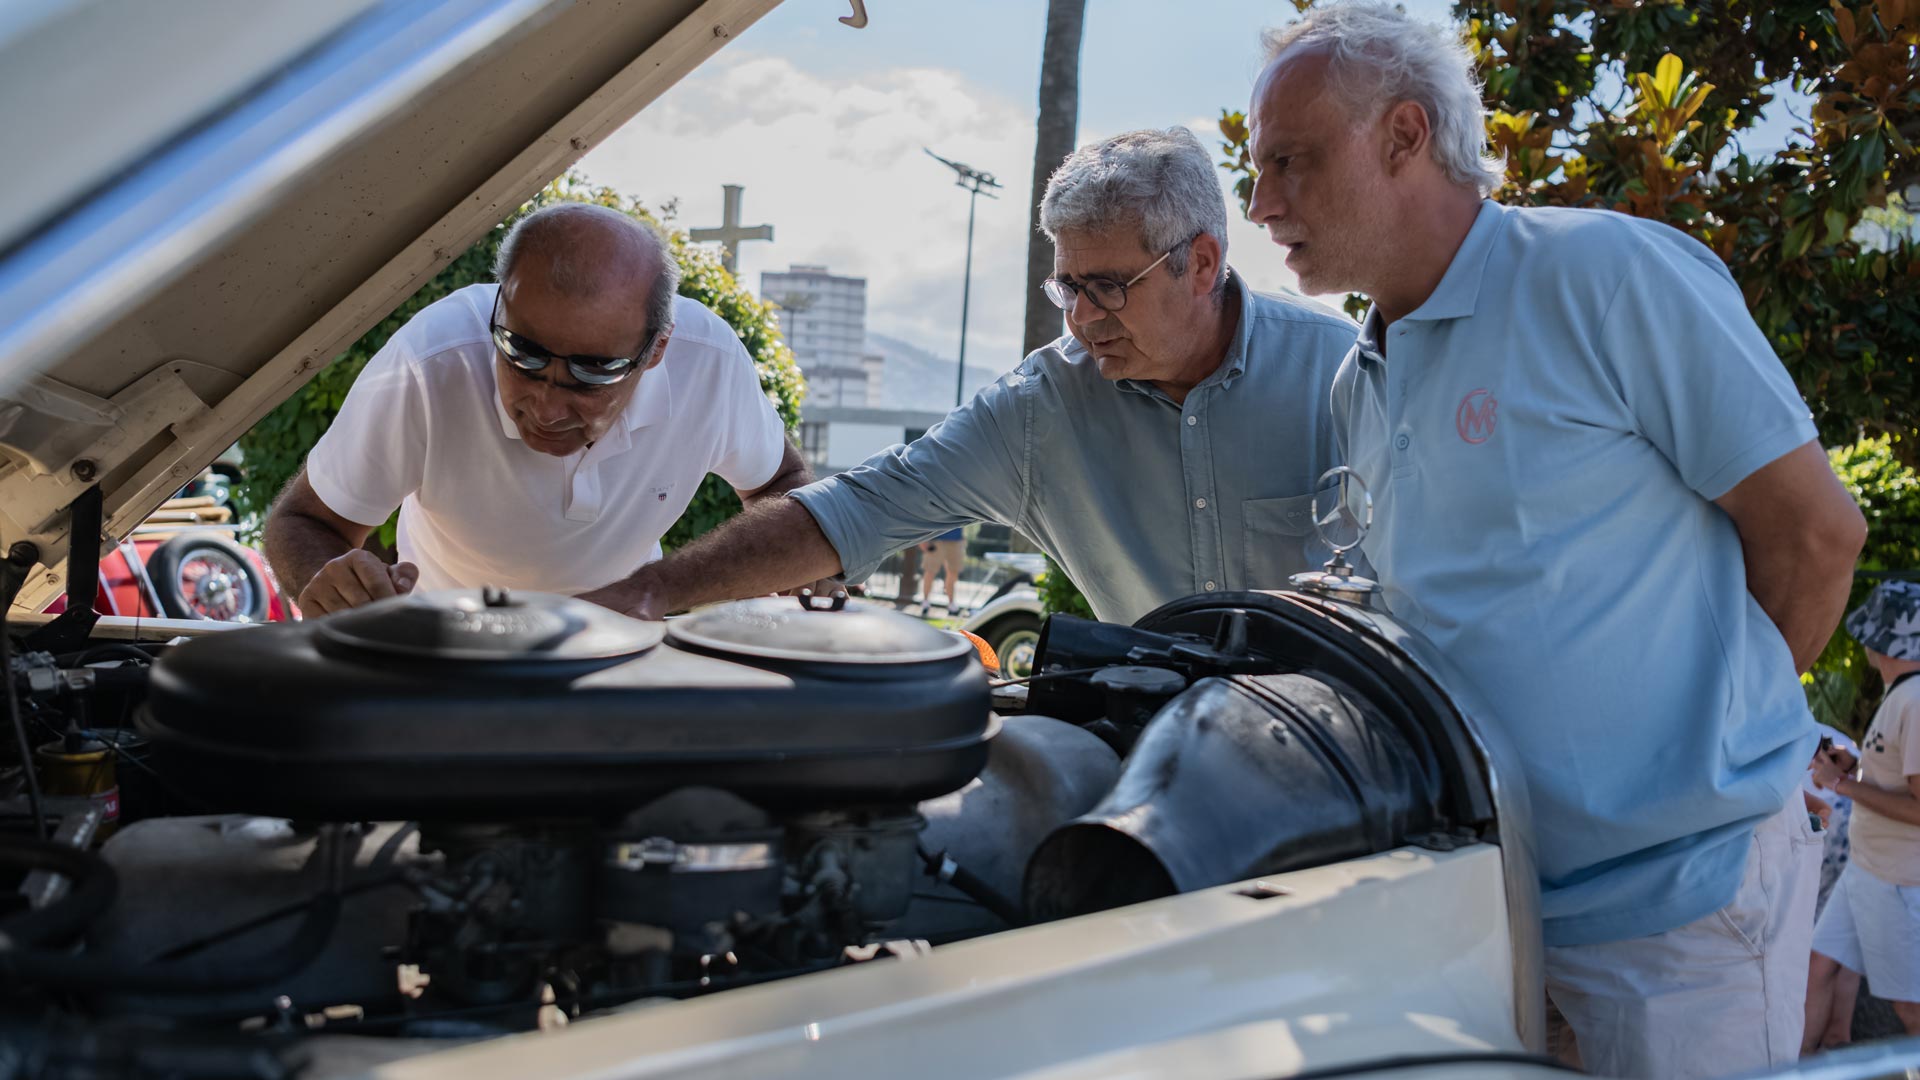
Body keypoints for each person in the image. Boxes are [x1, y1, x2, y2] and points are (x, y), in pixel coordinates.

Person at [1243, 5, 1867, 1076]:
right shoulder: (1362, 373)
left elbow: (1815, 533)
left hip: (1684, 907)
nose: (1261, 205)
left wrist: (1720, 747)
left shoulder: (1606, 273)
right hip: (1489, 910)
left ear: (1403, 136)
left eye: (1289, 162)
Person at [577, 128, 1357, 624]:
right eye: (1068, 289)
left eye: (1109, 287)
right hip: (1153, 751)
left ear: (1204, 264)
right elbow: (856, 508)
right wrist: (646, 594)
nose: (1081, 322)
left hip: (1355, 756)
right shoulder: (1040, 409)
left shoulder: (1343, 368)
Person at [264, 203, 810, 614]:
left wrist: (796, 572)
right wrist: (329, 580)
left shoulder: (707, 364)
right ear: (500, 305)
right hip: (443, 652)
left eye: (593, 374)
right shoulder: (431, 361)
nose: (546, 408)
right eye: (521, 355)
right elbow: (305, 520)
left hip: (619, 656)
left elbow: (780, 484)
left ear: (657, 350)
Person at [1809, 581, 1920, 1043]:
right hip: (1869, 870)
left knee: (1910, 1009)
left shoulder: (1915, 700)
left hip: (1896, 880)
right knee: (1817, 967)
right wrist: (1858, 769)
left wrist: (1842, 786)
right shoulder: (1904, 694)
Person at [918, 527, 966, 617]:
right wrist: (923, 539)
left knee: (953, 572)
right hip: (935, 539)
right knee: (930, 571)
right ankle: (925, 602)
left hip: (956, 539)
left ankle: (951, 604)